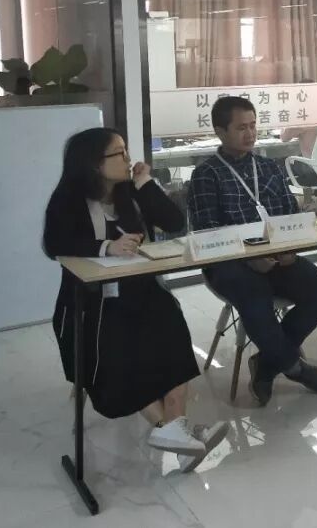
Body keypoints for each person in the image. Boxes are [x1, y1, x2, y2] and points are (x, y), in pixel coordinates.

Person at [43, 128, 228, 472]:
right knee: (123, 350)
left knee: (173, 334)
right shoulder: (69, 198)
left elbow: (175, 222)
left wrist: (146, 184)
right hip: (92, 304)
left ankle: (178, 436)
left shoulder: (130, 191)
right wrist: (105, 247)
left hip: (140, 289)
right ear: (95, 163)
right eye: (120, 153)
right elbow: (54, 244)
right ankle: (174, 431)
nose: (129, 160)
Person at [188, 96, 317, 406]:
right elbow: (208, 234)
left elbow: (288, 214)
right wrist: (251, 259)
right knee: (255, 296)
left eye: (253, 125)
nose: (250, 133)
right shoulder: (206, 174)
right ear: (220, 132)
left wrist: (290, 250)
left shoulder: (268, 167)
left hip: (278, 256)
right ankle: (294, 368)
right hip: (229, 263)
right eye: (241, 127)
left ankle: (267, 363)